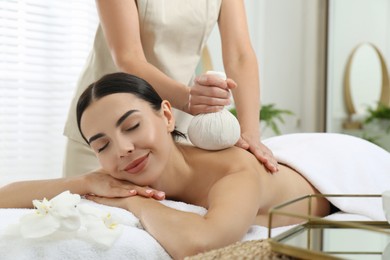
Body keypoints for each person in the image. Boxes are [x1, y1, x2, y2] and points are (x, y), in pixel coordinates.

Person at [0, 73, 342, 259]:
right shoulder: (124, 167)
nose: (123, 149)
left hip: (326, 162)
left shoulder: (233, 172)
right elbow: (6, 195)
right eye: (102, 145)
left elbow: (202, 245)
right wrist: (88, 180)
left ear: (166, 115)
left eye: (132, 126)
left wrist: (134, 201)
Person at [62, 0, 279, 178]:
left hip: (171, 124)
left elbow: (240, 55)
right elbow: (128, 57)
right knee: (88, 222)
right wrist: (188, 99)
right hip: (106, 126)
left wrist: (250, 134)